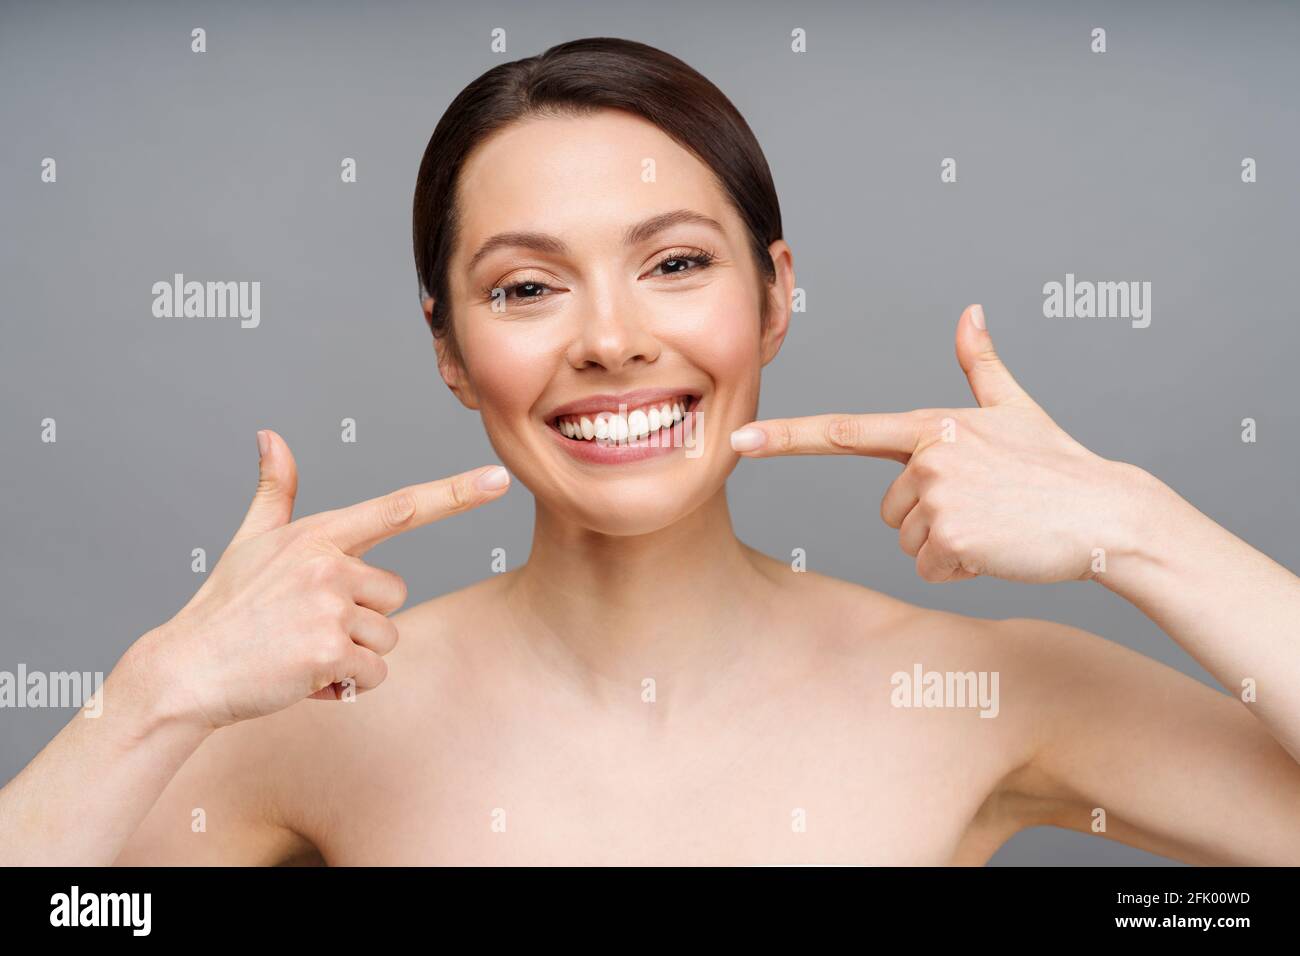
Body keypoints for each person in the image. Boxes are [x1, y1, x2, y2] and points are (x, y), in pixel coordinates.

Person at [3, 37, 1298, 866]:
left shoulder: (983, 695)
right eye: (525, 288)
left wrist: (1137, 526)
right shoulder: (311, 732)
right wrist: (152, 696)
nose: (613, 339)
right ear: (449, 348)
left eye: (675, 265)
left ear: (775, 294)